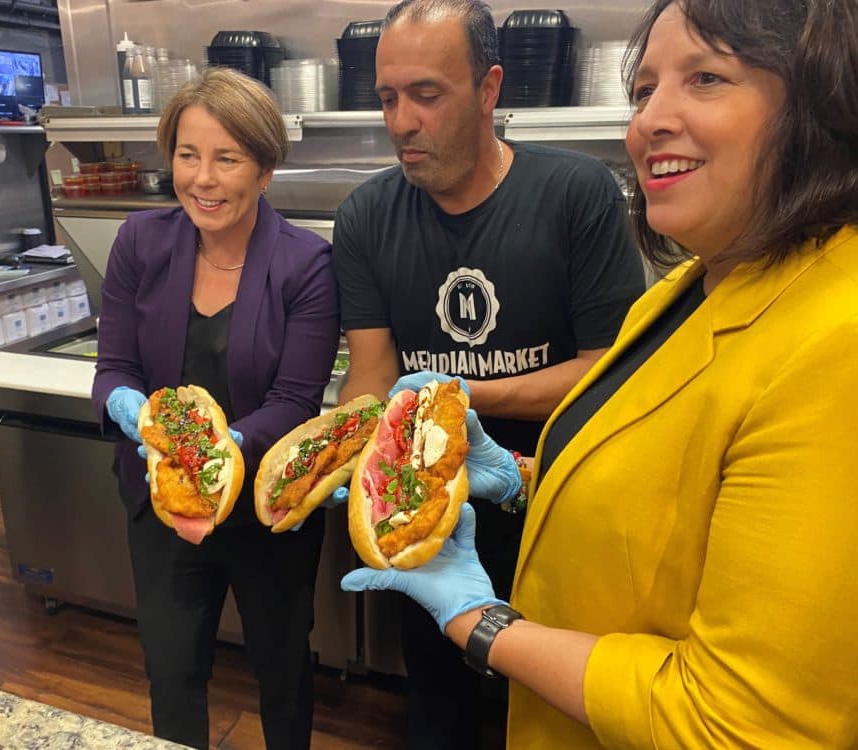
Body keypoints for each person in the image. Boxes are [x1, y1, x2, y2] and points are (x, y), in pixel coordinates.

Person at [342, 0, 858, 746]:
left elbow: (741, 723)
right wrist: (523, 477)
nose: (649, 121)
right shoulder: (686, 292)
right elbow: (660, 491)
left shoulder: (834, 340)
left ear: (818, 101)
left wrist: (480, 623)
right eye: (644, 90)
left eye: (706, 78)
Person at [332, 0, 645, 746]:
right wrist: (351, 452)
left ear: (489, 88)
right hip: (430, 516)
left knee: (547, 714)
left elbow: (611, 373)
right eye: (387, 98)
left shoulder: (577, 195)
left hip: (552, 506)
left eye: (427, 94)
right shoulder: (367, 215)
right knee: (438, 712)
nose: (401, 121)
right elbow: (372, 372)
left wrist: (458, 397)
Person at [91, 67, 340, 750]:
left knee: (282, 670)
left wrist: (216, 446)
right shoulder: (140, 244)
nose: (203, 178)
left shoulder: (306, 265)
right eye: (188, 154)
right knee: (172, 671)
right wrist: (129, 410)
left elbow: (295, 400)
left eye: (227, 158)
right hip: (166, 506)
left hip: (267, 506)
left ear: (264, 169)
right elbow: (115, 365)